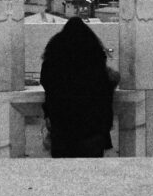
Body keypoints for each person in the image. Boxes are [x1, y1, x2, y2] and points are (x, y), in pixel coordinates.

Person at [40, 17, 119, 158]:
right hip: (92, 125)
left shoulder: (55, 53)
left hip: (62, 123)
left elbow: (46, 81)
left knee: (63, 168)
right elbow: (104, 85)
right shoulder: (94, 54)